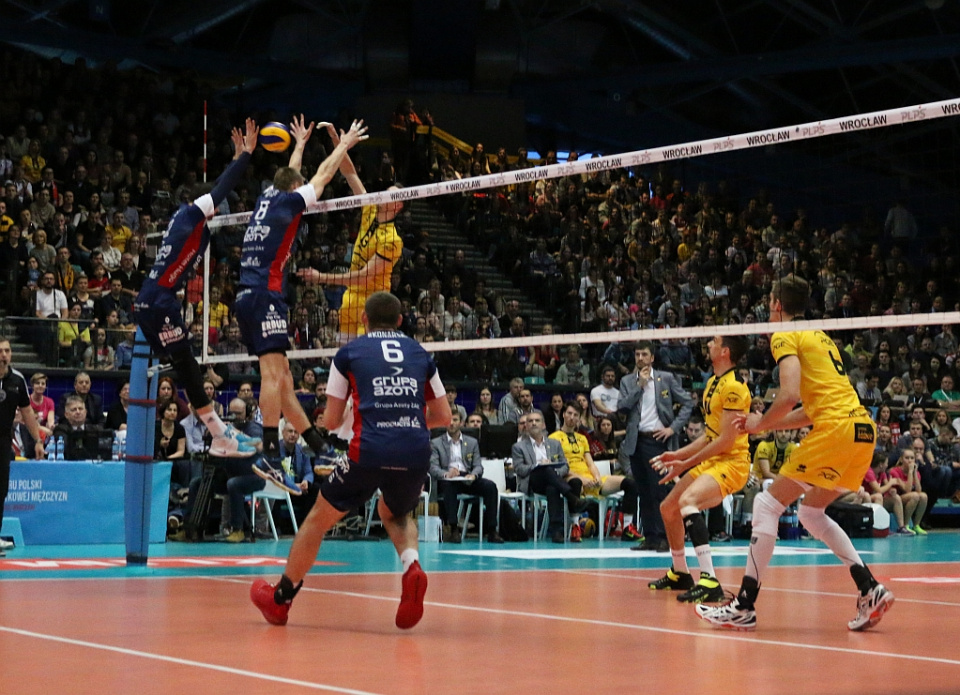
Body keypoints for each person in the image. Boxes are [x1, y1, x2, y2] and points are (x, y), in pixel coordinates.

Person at [698, 276, 893, 632]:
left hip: (835, 429)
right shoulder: (820, 335)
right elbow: (811, 408)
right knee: (812, 513)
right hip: (862, 430)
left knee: (766, 504)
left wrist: (758, 424)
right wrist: (765, 425)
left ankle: (744, 604)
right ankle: (869, 587)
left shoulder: (785, 334)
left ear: (775, 305)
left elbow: (788, 394)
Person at [250, 292, 452, 629]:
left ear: (363, 320)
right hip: (415, 448)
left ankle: (280, 599)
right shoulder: (421, 354)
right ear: (401, 321)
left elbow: (329, 422)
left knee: (317, 519)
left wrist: (353, 420)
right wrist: (408, 423)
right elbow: (443, 416)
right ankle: (412, 566)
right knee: (395, 512)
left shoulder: (349, 354)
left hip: (369, 448)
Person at [237, 118, 367, 485]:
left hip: (248, 296)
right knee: (272, 377)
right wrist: (344, 144)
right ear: (294, 189)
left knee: (285, 383)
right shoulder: (288, 203)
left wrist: (299, 144)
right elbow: (322, 177)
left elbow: (291, 174)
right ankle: (269, 452)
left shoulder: (267, 197)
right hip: (265, 294)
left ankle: (316, 444)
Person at [133, 119, 261, 458]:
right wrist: (246, 156)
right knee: (188, 368)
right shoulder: (191, 213)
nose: (218, 208)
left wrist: (234, 158)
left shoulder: (184, 218)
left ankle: (219, 431)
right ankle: (218, 434)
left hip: (151, 300)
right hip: (158, 301)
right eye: (213, 204)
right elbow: (220, 189)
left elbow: (215, 187)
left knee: (186, 366)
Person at [647, 335, 751, 603]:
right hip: (713, 460)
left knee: (688, 501)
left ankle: (710, 581)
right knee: (668, 508)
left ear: (725, 351)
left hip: (732, 463)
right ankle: (681, 573)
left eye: (714, 342)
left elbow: (726, 440)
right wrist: (677, 455)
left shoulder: (735, 388)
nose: (708, 345)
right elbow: (709, 436)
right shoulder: (712, 384)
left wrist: (686, 463)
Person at [298, 122, 404, 345]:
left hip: (373, 304)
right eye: (386, 191)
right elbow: (350, 173)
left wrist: (321, 278)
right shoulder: (370, 209)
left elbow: (363, 276)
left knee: (363, 360)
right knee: (343, 358)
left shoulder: (392, 240)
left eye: (391, 195)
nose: (384, 195)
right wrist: (339, 142)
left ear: (398, 206)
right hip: (350, 301)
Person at [618, 339, 694, 552]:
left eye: (644, 354)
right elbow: (622, 407)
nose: (640, 358)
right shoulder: (627, 381)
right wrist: (639, 387)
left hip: (659, 440)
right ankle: (650, 536)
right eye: (637, 355)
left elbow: (688, 402)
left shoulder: (666, 378)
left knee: (659, 490)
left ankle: (664, 536)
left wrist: (673, 428)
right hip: (636, 440)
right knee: (644, 491)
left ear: (652, 357)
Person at [549, 400, 641, 542]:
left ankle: (627, 528)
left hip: (590, 478)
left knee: (629, 483)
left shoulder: (582, 438)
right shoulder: (553, 438)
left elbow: (590, 462)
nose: (572, 417)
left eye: (575, 415)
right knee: (576, 482)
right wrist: (581, 478)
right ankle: (575, 526)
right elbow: (557, 466)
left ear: (579, 418)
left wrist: (596, 476)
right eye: (569, 413)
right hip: (570, 476)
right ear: (563, 415)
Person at [0, 339, 46, 555]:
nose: (4, 355)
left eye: (7, 350)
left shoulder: (17, 380)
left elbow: (27, 412)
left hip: (2, 441)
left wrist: (37, 440)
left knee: (1, 490)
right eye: (0, 351)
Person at [512, 411, 587, 543]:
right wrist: (538, 465)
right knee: (546, 469)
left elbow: (565, 465)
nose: (533, 423)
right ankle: (571, 497)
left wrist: (555, 474)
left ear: (543, 425)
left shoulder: (554, 443)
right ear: (526, 426)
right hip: (532, 481)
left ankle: (557, 531)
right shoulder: (518, 447)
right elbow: (520, 469)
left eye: (537, 420)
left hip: (554, 481)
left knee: (554, 487)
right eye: (530, 421)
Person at [429, 411, 504, 543]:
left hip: (467, 477)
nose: (451, 423)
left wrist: (474, 475)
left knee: (490, 486)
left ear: (461, 423)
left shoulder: (472, 442)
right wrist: (446, 474)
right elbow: (433, 467)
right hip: (447, 478)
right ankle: (453, 529)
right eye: (448, 420)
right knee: (449, 486)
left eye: (455, 420)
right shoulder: (436, 443)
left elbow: (478, 466)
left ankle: (492, 530)